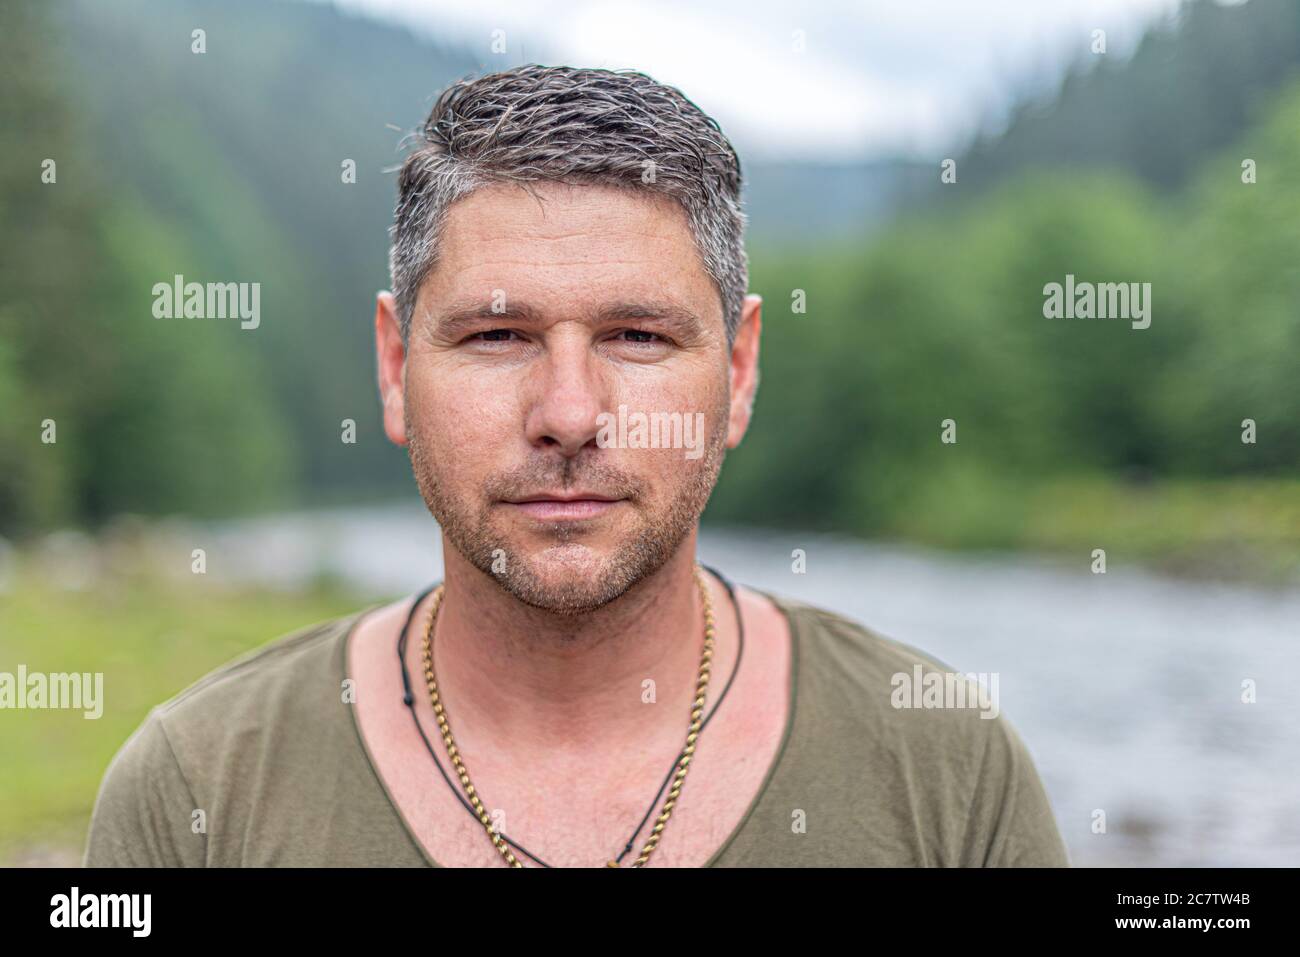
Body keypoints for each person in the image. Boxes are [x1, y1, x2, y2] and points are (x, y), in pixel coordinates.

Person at [83, 64, 1069, 868]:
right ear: (394, 368)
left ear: (737, 370)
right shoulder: (197, 793)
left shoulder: (947, 777)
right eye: (497, 335)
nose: (567, 415)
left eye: (636, 336)